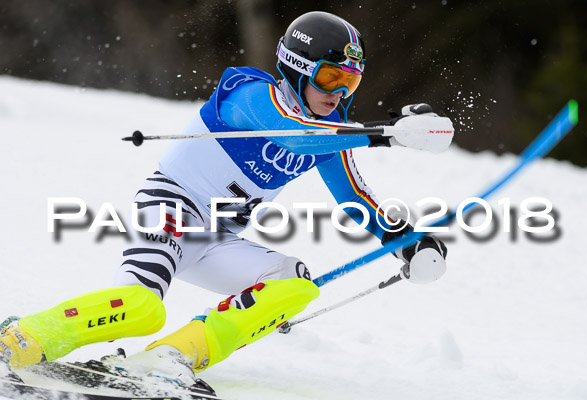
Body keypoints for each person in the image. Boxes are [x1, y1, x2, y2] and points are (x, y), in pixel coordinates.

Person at [0, 11, 451, 384]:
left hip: (215, 238)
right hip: (171, 208)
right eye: (330, 77)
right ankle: (22, 339)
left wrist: (406, 240)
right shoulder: (250, 94)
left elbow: (357, 197)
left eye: (349, 83)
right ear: (296, 67)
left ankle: (169, 358)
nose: (338, 93)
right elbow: (294, 136)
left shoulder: (331, 133)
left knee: (293, 282)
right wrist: (385, 135)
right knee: (142, 307)